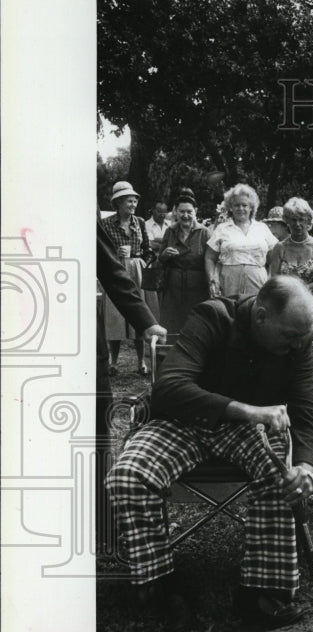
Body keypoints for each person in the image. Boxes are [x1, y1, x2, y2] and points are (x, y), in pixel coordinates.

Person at [106, 275, 313, 631]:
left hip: (245, 431)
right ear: (262, 316)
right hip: (182, 420)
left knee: (283, 478)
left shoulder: (298, 340)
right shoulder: (213, 317)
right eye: (290, 336)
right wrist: (247, 410)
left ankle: (260, 593)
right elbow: (169, 388)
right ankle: (162, 586)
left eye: (304, 337)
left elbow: (306, 410)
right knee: (128, 476)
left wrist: (306, 467)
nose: (299, 345)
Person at [96, 218, 167, 553]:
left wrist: (146, 322)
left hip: (77, 335)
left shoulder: (77, 208)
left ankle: (104, 525)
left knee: (95, 428)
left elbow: (110, 269)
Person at [102, 180, 159, 375]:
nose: (133, 204)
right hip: (115, 269)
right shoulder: (106, 223)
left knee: (139, 313)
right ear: (118, 202)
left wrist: (142, 259)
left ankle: (141, 362)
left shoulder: (140, 222)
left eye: (135, 201)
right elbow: (102, 250)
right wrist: (115, 253)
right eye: (129, 201)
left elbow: (148, 250)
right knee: (115, 316)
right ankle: (114, 362)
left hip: (136, 271)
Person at [267, 197, 313, 374]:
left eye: (302, 219)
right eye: (293, 219)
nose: (298, 224)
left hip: (311, 308)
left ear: (309, 220)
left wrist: (298, 291)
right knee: (285, 354)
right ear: (287, 221)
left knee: (310, 354)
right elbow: (274, 280)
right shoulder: (280, 248)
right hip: (285, 307)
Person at [205, 183, 278, 298]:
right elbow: (209, 257)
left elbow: (275, 258)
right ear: (231, 207)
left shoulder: (262, 228)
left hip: (258, 281)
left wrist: (270, 279)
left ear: (251, 207)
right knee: (230, 308)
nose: (240, 209)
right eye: (236, 205)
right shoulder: (222, 228)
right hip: (228, 282)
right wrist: (212, 279)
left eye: (244, 205)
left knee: (256, 308)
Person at [157, 188, 211, 334]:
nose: (185, 215)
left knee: (195, 326)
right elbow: (160, 260)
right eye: (181, 211)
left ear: (196, 212)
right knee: (171, 325)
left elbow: (210, 260)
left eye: (189, 212)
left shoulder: (204, 232)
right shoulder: (170, 231)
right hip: (173, 289)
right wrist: (165, 255)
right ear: (175, 212)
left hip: (197, 289)